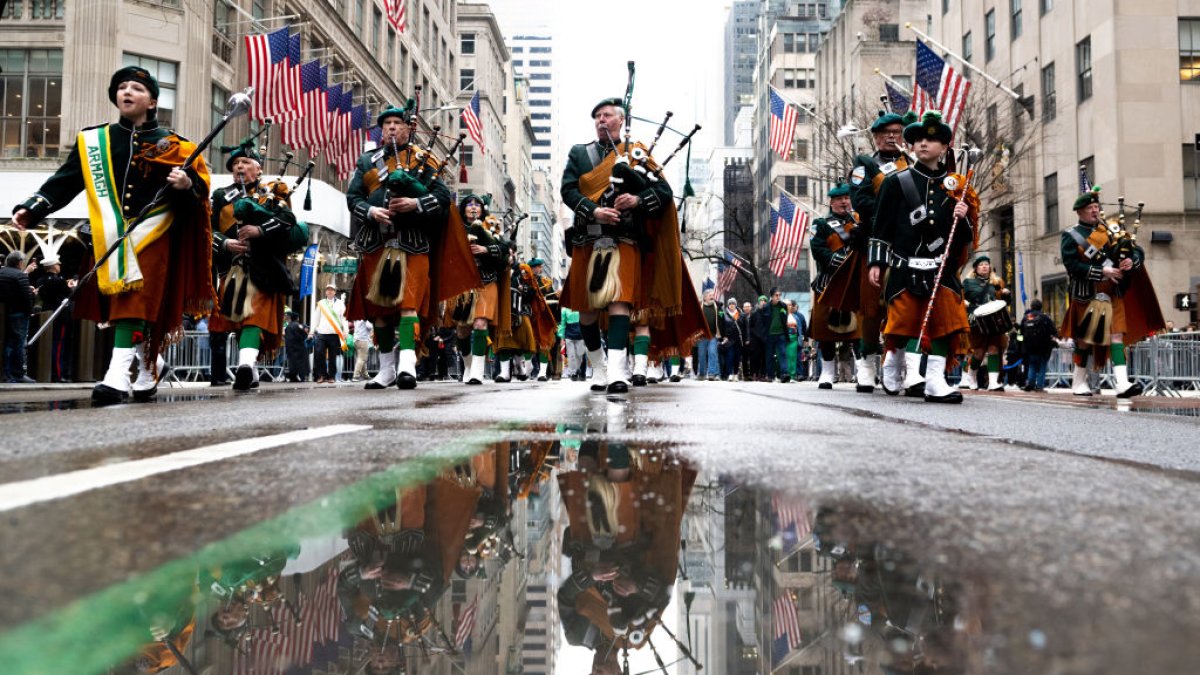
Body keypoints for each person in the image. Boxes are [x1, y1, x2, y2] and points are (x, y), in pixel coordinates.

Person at [11, 66, 214, 404]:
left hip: (155, 234)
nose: (127, 92)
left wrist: (186, 185)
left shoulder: (179, 147)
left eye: (136, 87)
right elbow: (66, 180)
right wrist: (33, 207)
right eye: (122, 87)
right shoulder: (95, 140)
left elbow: (200, 199)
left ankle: (116, 378)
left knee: (133, 302)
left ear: (151, 101)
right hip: (112, 234)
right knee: (123, 305)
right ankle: (151, 368)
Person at [346, 102, 479, 390]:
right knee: (379, 311)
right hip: (376, 243)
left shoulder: (424, 158)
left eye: (397, 123)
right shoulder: (367, 162)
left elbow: (443, 198)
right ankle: (386, 370)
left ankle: (407, 366)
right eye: (386, 124)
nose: (391, 127)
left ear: (408, 128)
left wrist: (415, 203)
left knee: (408, 306)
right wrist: (371, 212)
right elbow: (353, 199)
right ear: (381, 131)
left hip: (413, 245)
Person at [560, 97, 678, 394]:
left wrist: (638, 199)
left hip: (624, 238)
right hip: (588, 236)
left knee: (619, 301)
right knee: (586, 310)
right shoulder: (580, 153)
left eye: (607, 115)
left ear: (621, 120)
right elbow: (568, 190)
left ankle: (616, 371)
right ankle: (598, 367)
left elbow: (664, 191)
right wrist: (593, 210)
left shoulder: (637, 153)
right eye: (597, 116)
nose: (601, 119)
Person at [868, 111, 978, 403]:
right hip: (906, 267)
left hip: (940, 269)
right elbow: (882, 226)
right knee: (902, 325)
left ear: (944, 147)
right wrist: (877, 262)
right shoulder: (896, 182)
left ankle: (934, 381)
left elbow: (964, 237)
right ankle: (892, 363)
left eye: (931, 139)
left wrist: (964, 216)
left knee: (946, 324)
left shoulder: (956, 185)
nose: (923, 144)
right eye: (917, 139)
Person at [208, 140, 306, 391]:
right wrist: (227, 243)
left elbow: (288, 224)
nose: (239, 166)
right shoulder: (221, 196)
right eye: (235, 163)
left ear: (258, 169)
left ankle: (243, 365)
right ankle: (249, 368)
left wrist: (260, 230)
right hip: (232, 269)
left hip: (264, 267)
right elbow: (208, 232)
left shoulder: (273, 192)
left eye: (245, 162)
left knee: (254, 317)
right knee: (240, 320)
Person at [1060, 185, 1165, 397]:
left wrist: (1130, 261)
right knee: (1085, 340)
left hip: (1112, 292)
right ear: (1080, 212)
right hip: (1086, 294)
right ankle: (1078, 382)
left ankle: (1122, 384)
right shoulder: (1071, 235)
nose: (1095, 210)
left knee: (1116, 335)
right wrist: (1102, 271)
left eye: (1097, 206)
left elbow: (1136, 251)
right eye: (1090, 207)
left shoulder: (1110, 230)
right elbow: (1072, 266)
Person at [849, 110, 912, 394]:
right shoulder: (865, 166)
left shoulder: (911, 163)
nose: (891, 136)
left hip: (909, 245)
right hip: (875, 242)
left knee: (904, 304)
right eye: (885, 133)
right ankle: (867, 364)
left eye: (897, 132)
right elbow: (861, 200)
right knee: (872, 308)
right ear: (875, 137)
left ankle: (899, 363)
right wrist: (890, 221)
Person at [808, 182, 864, 389]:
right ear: (831, 202)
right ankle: (827, 372)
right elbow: (818, 250)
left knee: (858, 332)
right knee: (825, 333)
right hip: (828, 282)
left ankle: (862, 371)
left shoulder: (859, 221)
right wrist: (842, 262)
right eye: (839, 199)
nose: (844, 202)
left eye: (847, 198)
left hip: (854, 283)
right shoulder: (821, 224)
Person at [452, 194, 507, 385]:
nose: (473, 207)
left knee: (480, 323)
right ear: (464, 208)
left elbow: (504, 251)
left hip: (487, 280)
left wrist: (485, 250)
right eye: (469, 204)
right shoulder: (454, 227)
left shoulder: (491, 226)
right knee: (462, 330)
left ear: (483, 209)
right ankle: (468, 365)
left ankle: (477, 370)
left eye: (477, 205)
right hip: (463, 283)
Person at [960, 254, 1011, 391]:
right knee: (979, 352)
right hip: (977, 320)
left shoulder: (997, 282)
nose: (984, 266)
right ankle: (971, 374)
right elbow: (961, 299)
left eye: (986, 264)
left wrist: (1006, 294)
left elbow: (1004, 303)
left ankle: (993, 382)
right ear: (976, 268)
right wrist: (969, 306)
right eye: (981, 265)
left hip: (994, 320)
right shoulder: (968, 283)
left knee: (994, 348)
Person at [32, 235, 76, 382]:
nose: (60, 266)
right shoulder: (59, 281)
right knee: (58, 345)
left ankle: (47, 371)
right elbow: (69, 294)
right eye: (58, 264)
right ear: (53, 266)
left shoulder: (40, 280)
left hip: (46, 312)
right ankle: (58, 374)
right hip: (59, 314)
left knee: (48, 343)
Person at [1, 251, 37, 383]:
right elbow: (25, 297)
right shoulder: (20, 275)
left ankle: (5, 372)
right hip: (18, 313)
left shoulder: (2, 273)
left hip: (5, 313)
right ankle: (17, 373)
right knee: (17, 343)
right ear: (20, 262)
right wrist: (30, 311)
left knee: (6, 343)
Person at [312, 283, 346, 383]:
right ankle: (322, 375)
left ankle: (331, 376)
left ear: (335, 292)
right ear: (325, 292)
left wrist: (346, 330)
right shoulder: (321, 303)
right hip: (321, 333)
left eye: (331, 290)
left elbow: (344, 318)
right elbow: (316, 318)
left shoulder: (340, 303)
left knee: (332, 356)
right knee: (319, 354)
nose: (329, 291)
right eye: (328, 290)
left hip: (334, 334)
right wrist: (311, 331)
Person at [763, 288, 790, 382]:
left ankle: (784, 374)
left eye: (779, 295)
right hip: (769, 335)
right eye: (776, 295)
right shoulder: (766, 307)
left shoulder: (783, 306)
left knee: (782, 353)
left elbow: (785, 319)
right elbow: (763, 322)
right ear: (772, 296)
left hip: (781, 334)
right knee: (769, 355)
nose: (778, 297)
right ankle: (770, 375)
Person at [696, 289, 722, 381]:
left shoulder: (718, 307)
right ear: (705, 297)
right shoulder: (699, 306)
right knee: (702, 355)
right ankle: (702, 374)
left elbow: (722, 321)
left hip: (713, 335)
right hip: (701, 336)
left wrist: (724, 334)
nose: (712, 296)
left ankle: (712, 373)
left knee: (712, 353)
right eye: (710, 295)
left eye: (713, 295)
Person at [283, 311, 310, 382]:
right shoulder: (298, 325)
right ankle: (302, 376)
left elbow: (286, 337)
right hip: (299, 347)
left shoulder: (287, 327)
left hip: (290, 347)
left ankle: (293, 376)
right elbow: (304, 334)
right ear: (297, 318)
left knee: (292, 362)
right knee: (302, 363)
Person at [720, 299, 743, 381]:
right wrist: (723, 336)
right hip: (729, 339)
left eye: (733, 303)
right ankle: (729, 374)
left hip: (738, 339)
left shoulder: (740, 314)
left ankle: (736, 374)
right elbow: (722, 326)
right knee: (729, 356)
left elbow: (743, 327)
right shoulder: (724, 314)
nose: (732, 305)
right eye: (730, 304)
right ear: (728, 305)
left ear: (736, 305)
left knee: (737, 357)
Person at [561, 306, 586, 380]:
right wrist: (562, 337)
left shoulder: (581, 306)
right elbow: (562, 324)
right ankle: (573, 373)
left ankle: (580, 371)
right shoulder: (564, 309)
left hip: (580, 334)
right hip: (569, 335)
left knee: (580, 354)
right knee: (571, 355)